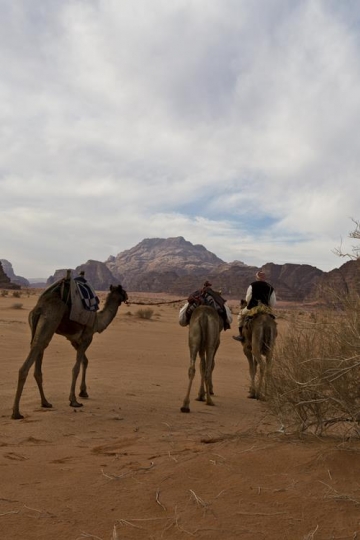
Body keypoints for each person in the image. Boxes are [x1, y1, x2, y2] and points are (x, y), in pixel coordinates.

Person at [232, 270, 276, 342]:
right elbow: (273, 302)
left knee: (240, 315)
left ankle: (241, 335)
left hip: (253, 308)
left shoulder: (252, 285)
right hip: (266, 309)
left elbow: (248, 298)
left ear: (256, 277)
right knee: (273, 319)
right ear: (265, 278)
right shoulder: (270, 287)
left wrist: (250, 304)